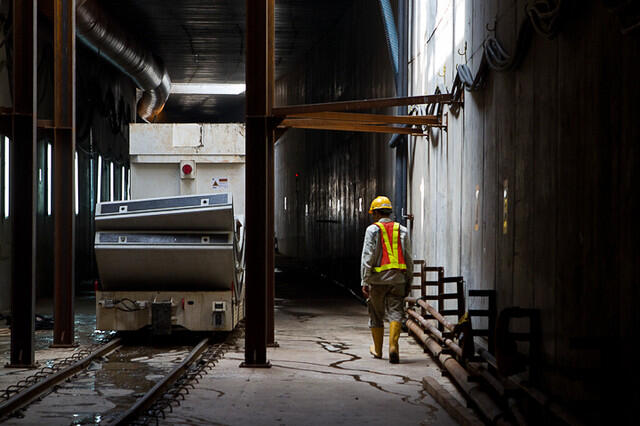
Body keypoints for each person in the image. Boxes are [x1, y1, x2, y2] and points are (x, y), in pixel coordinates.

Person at [361, 195, 413, 364]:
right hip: (398, 280)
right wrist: (408, 281)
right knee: (396, 312)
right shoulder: (402, 230)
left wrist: (365, 280)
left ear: (376, 213)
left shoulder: (372, 230)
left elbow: (367, 257)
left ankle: (377, 350)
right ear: (389, 212)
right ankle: (393, 346)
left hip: (377, 280)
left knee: (376, 314)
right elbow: (409, 258)